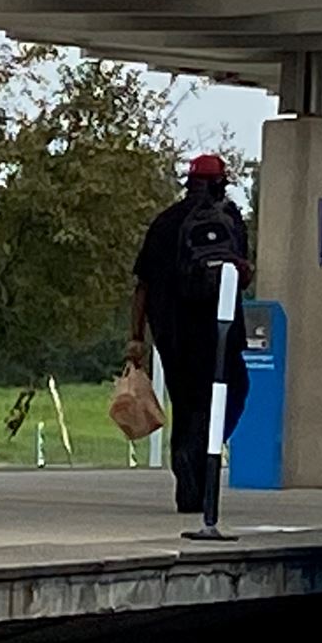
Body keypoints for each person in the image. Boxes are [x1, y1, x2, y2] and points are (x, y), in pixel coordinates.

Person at [130, 153, 252, 514]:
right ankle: (199, 452)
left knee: (186, 405)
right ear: (220, 183)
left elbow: (142, 286)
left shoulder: (164, 223)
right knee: (232, 392)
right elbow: (242, 274)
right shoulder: (229, 220)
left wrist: (136, 337)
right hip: (220, 329)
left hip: (171, 334)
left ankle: (188, 488)